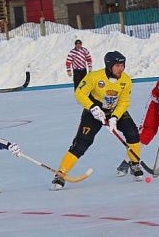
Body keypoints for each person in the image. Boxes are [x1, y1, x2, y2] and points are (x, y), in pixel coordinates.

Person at [51, 51, 142, 190]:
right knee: (82, 143)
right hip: (94, 111)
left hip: (114, 109)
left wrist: (115, 117)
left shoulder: (126, 80)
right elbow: (79, 93)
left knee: (133, 133)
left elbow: (124, 101)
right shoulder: (94, 77)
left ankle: (134, 163)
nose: (121, 68)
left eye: (122, 65)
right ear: (109, 65)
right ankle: (61, 174)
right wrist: (92, 107)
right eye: (117, 65)